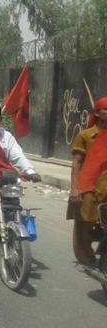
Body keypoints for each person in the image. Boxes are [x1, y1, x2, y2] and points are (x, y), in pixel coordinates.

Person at [69, 96, 107, 265]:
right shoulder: (85, 136)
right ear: (97, 113)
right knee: (85, 223)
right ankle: (86, 257)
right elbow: (77, 163)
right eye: (106, 109)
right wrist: (75, 188)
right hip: (89, 187)